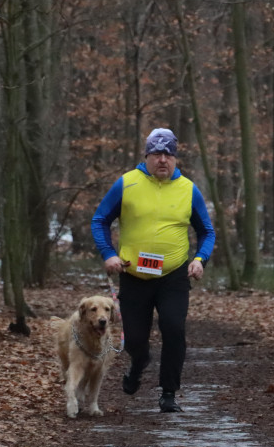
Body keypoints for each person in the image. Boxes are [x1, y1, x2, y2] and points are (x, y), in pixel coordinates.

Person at [91, 128, 215, 413]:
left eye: (168, 154)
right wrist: (108, 254)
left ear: (175, 158)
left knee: (173, 328)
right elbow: (99, 220)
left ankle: (169, 393)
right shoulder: (127, 184)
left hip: (173, 275)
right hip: (134, 276)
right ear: (146, 156)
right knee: (135, 340)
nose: (163, 160)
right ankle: (138, 363)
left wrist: (200, 259)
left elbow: (206, 231)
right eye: (157, 154)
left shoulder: (188, 189)